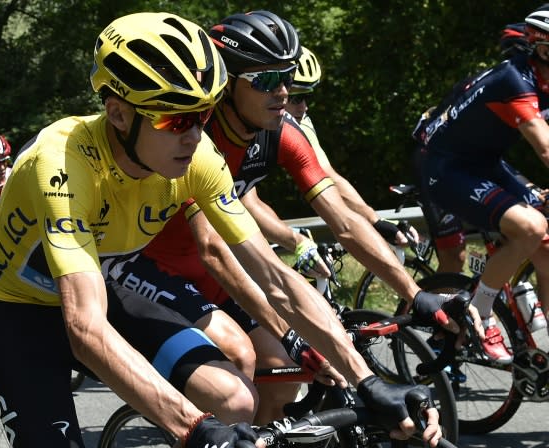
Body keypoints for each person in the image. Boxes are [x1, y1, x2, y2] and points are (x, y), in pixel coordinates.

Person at [0, 12, 443, 448]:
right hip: (17, 311)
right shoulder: (62, 160)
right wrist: (193, 430)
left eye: (203, 114)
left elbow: (276, 279)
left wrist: (366, 379)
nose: (194, 135)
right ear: (119, 113)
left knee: (235, 400)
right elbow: (85, 329)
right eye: (176, 119)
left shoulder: (197, 158)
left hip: (99, 279)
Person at [114, 11, 468, 425]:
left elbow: (344, 221)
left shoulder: (280, 132)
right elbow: (212, 248)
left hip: (216, 266)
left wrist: (414, 293)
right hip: (155, 265)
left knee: (283, 373)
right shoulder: (194, 138)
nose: (284, 92)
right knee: (239, 357)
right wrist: (291, 327)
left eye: (289, 75)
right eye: (267, 80)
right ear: (227, 85)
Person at [414, 4, 549, 364]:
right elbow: (546, 148)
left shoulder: (542, 77)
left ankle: (543, 349)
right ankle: (482, 313)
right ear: (542, 49)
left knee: (547, 246)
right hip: (447, 167)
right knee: (531, 227)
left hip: (484, 163)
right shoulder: (514, 79)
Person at [285, 46, 418, 249]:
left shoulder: (300, 121)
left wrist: (375, 220)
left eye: (307, 97)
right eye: (296, 98)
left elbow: (327, 175)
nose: (304, 107)